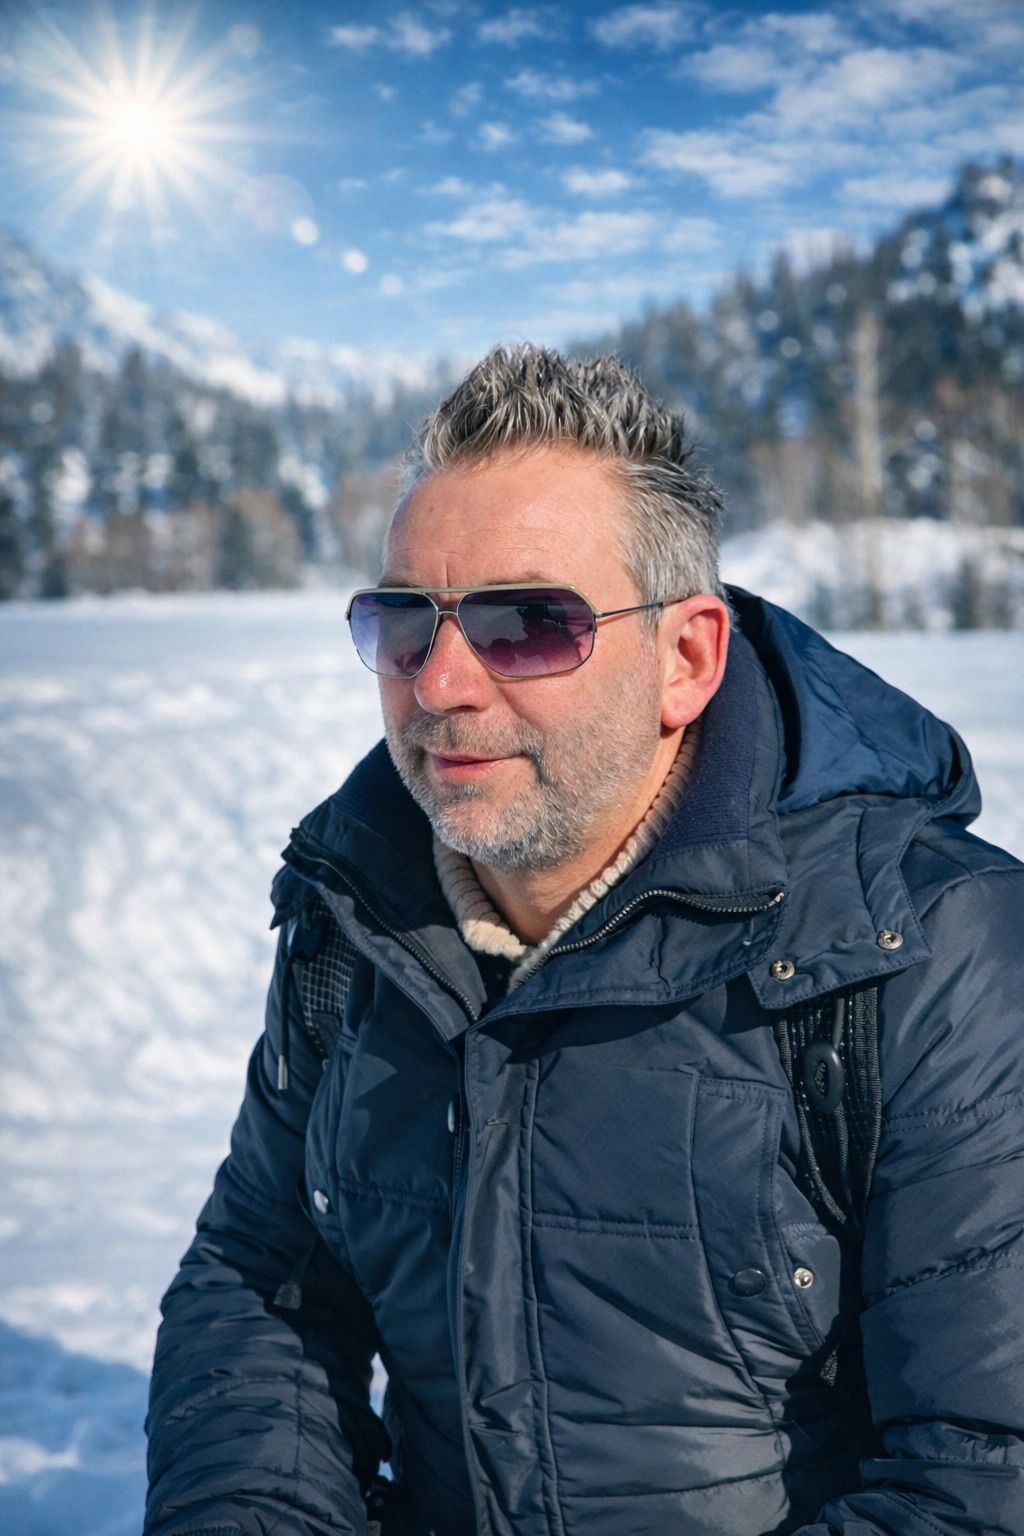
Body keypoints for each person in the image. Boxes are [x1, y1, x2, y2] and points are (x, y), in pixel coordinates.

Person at [144, 345, 1024, 1536]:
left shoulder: (928, 949)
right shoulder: (353, 913)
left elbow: (984, 1475)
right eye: (406, 621)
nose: (441, 680)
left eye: (526, 623)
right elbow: (263, 1283)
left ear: (686, 659)